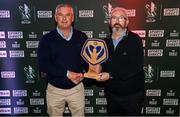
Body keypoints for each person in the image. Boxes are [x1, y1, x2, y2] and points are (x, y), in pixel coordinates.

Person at [37, 3, 88, 116]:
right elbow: (43, 65)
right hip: (55, 90)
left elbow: (87, 61)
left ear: (73, 17)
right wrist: (67, 73)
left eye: (68, 15)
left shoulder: (82, 37)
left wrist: (93, 70)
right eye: (60, 15)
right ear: (55, 17)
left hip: (76, 89)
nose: (64, 18)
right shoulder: (47, 39)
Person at [97, 7, 145, 116]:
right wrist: (96, 69)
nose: (117, 21)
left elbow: (135, 66)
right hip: (112, 94)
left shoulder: (135, 40)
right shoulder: (104, 42)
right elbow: (102, 65)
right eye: (114, 18)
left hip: (132, 95)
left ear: (127, 22)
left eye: (121, 18)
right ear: (109, 22)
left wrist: (110, 75)